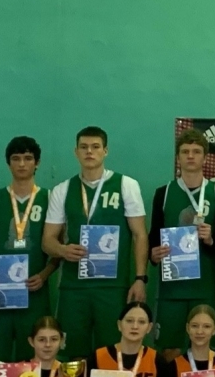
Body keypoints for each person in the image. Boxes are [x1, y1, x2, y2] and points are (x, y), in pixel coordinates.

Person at [42, 126, 150, 352]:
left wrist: (140, 278)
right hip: (73, 287)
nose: (89, 152)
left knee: (112, 352)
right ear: (76, 152)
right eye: (83, 147)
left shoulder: (126, 185)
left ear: (105, 151)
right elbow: (48, 241)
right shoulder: (63, 190)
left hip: (113, 287)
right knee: (72, 355)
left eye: (95, 147)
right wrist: (62, 250)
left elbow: (140, 234)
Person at [149, 128, 215, 350]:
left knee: (203, 349)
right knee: (170, 350)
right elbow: (153, 237)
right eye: (185, 151)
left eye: (196, 151)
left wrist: (211, 239)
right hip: (171, 288)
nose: (190, 156)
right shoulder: (163, 193)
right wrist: (154, 254)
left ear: (205, 158)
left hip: (204, 287)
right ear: (177, 158)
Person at [0, 136, 58, 361]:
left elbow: (57, 249)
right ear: (8, 163)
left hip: (34, 291)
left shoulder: (50, 199)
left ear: (37, 162)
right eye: (16, 159)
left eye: (28, 158)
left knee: (32, 357)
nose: (22, 164)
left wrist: (44, 275)